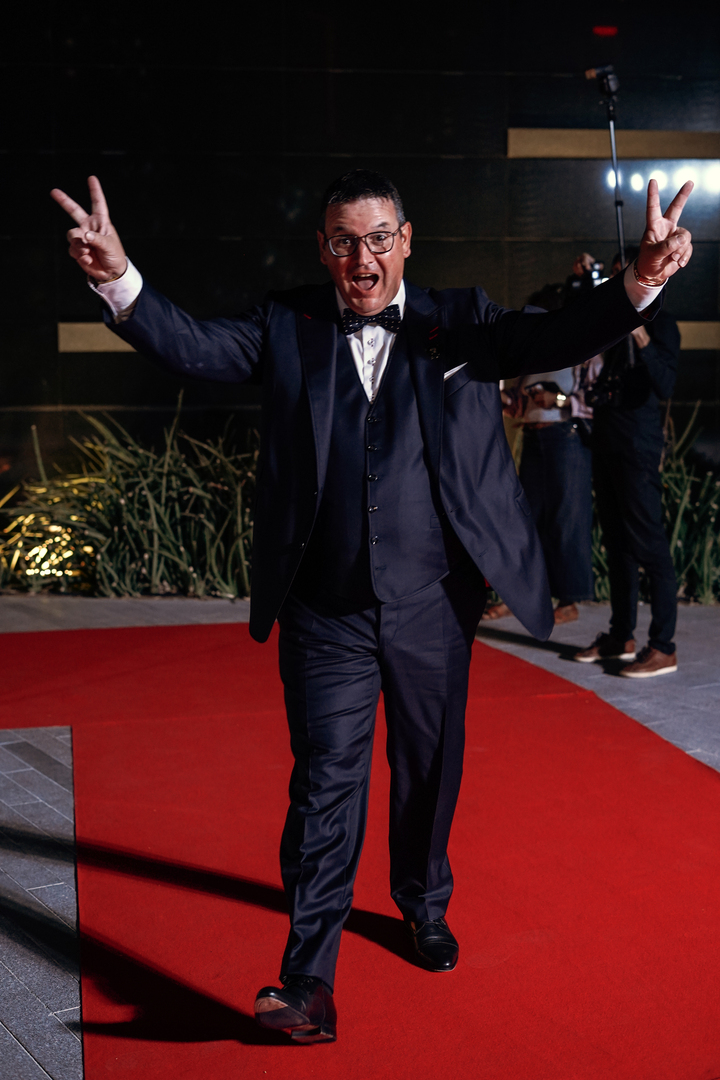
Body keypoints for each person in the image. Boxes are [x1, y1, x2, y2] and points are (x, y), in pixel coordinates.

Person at [51, 170, 692, 1042]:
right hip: (326, 607)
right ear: (322, 249)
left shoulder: (460, 318)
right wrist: (119, 277)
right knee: (326, 784)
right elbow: (194, 346)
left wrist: (642, 277)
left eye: (379, 238)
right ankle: (308, 981)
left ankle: (422, 902)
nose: (363, 257)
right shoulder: (287, 322)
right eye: (345, 241)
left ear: (406, 240)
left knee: (429, 768)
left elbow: (559, 334)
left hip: (433, 600)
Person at [574, 245, 682, 677]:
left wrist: (642, 335)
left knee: (649, 543)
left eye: (629, 275)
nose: (623, 286)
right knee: (617, 543)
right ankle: (622, 635)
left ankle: (664, 646)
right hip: (606, 440)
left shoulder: (662, 324)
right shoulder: (612, 324)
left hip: (638, 445)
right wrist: (587, 280)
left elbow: (666, 384)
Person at [483, 254, 603, 626]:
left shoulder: (580, 350)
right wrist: (503, 398)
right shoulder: (530, 354)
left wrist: (559, 399)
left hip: (567, 438)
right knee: (526, 519)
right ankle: (518, 597)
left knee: (567, 519)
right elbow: (516, 402)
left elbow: (595, 398)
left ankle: (568, 600)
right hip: (534, 439)